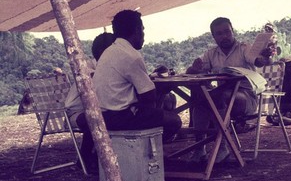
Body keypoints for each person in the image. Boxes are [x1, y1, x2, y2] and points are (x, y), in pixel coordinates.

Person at [186, 17, 273, 163]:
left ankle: (223, 147)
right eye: (219, 33)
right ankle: (199, 148)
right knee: (199, 99)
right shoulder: (210, 54)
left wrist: (263, 58)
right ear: (214, 37)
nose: (224, 36)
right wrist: (194, 69)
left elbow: (257, 60)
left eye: (227, 32)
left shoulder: (244, 48)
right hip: (221, 100)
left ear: (233, 31)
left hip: (246, 99)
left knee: (218, 97)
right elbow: (192, 71)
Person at [93, 10, 182, 144]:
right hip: (118, 117)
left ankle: (150, 151)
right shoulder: (130, 55)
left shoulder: (109, 52)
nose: (143, 35)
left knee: (153, 113)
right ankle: (151, 153)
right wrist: (163, 90)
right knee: (174, 120)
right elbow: (149, 96)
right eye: (142, 30)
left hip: (101, 115)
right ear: (137, 30)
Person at [65, 32, 116, 172]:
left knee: (105, 116)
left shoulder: (106, 67)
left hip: (95, 109)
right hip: (75, 113)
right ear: (102, 52)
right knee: (95, 119)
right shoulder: (88, 67)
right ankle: (85, 157)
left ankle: (92, 156)